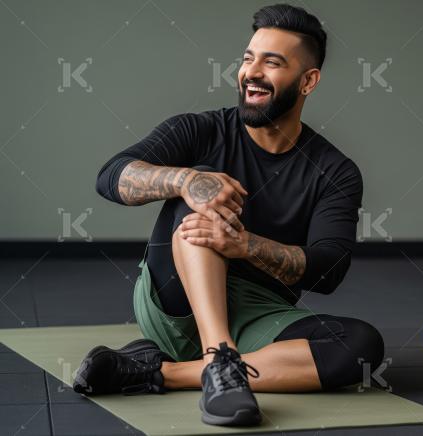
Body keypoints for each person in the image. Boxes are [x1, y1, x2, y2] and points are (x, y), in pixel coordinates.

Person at [73, 4, 384, 427]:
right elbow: (110, 177)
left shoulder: (335, 171)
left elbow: (328, 270)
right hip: (174, 297)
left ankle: (157, 371)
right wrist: (183, 181)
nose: (252, 72)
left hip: (257, 314)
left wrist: (244, 245)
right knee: (201, 182)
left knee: (360, 345)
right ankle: (219, 356)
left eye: (272, 63)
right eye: (247, 58)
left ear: (308, 80)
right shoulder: (200, 130)